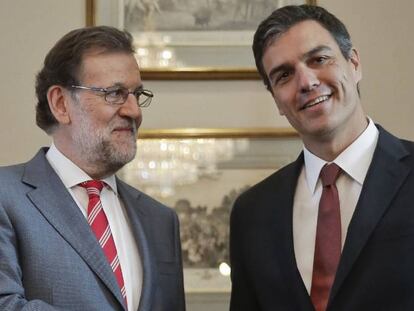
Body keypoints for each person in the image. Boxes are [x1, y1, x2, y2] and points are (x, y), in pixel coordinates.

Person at [230, 4, 414, 311]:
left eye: (318, 59)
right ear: (276, 98)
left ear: (354, 63)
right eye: (284, 75)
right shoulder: (252, 213)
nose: (306, 82)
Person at [0, 26, 185, 311]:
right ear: (61, 104)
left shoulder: (161, 220)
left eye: (137, 94)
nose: (134, 111)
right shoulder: (6, 197)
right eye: (114, 93)